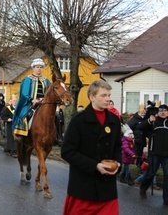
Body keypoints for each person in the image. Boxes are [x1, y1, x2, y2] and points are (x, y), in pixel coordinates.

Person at [61, 80, 122, 215]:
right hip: (84, 188)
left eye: (109, 95)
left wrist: (118, 163)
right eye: (103, 95)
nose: (108, 99)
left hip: (107, 189)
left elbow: (118, 147)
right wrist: (94, 166)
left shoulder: (114, 120)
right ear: (92, 97)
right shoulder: (78, 120)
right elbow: (67, 152)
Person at [12, 58, 50, 141]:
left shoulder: (46, 80)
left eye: (41, 67)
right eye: (37, 67)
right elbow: (24, 93)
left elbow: (49, 92)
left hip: (44, 103)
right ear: (33, 68)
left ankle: (57, 136)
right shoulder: (27, 79)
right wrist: (32, 99)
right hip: (30, 103)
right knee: (24, 115)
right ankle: (20, 134)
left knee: (56, 116)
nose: (39, 68)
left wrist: (45, 99)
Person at [138, 104, 168, 205]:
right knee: (151, 173)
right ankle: (143, 188)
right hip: (154, 153)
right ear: (157, 112)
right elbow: (140, 127)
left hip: (167, 155)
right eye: (160, 110)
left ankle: (166, 199)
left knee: (167, 175)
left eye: (165, 110)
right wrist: (149, 120)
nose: (163, 112)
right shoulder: (154, 121)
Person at [126, 104, 148, 172]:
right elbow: (127, 128)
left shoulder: (145, 119)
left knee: (142, 154)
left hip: (143, 140)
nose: (142, 116)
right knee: (136, 153)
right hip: (135, 140)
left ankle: (140, 166)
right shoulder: (134, 119)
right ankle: (135, 165)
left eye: (144, 114)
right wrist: (131, 136)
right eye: (141, 114)